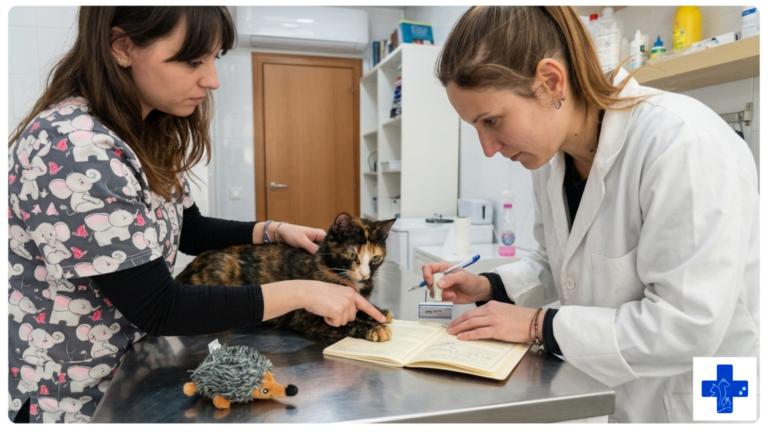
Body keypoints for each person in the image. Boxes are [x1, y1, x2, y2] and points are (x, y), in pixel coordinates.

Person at [7, 6, 385, 423]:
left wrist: (274, 230)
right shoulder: (74, 148)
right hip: (68, 396)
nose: (212, 80)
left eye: (213, 59)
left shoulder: (143, 134)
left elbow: (189, 228)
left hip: (125, 372)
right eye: (191, 61)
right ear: (122, 47)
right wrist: (303, 292)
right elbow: (158, 307)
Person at [422, 6, 758, 423]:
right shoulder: (550, 159)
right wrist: (487, 285)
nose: (488, 148)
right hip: (610, 394)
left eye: (491, 120)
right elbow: (558, 261)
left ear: (551, 81)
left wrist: (537, 325)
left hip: (704, 398)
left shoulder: (682, 144)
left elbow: (687, 325)